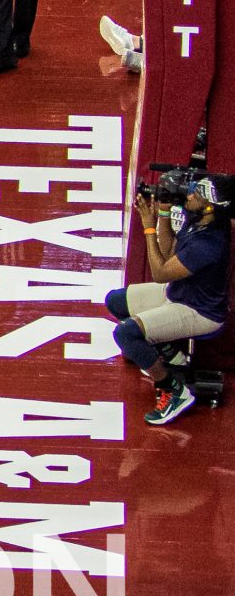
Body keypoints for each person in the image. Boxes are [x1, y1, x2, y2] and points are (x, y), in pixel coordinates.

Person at [110, 177, 232, 427]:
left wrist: (148, 227)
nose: (188, 196)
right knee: (116, 301)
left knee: (126, 334)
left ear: (211, 207)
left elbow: (160, 273)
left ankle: (173, 391)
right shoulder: (197, 222)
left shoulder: (208, 244)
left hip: (199, 311)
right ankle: (170, 354)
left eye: (196, 195)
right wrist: (164, 215)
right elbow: (168, 255)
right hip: (178, 293)